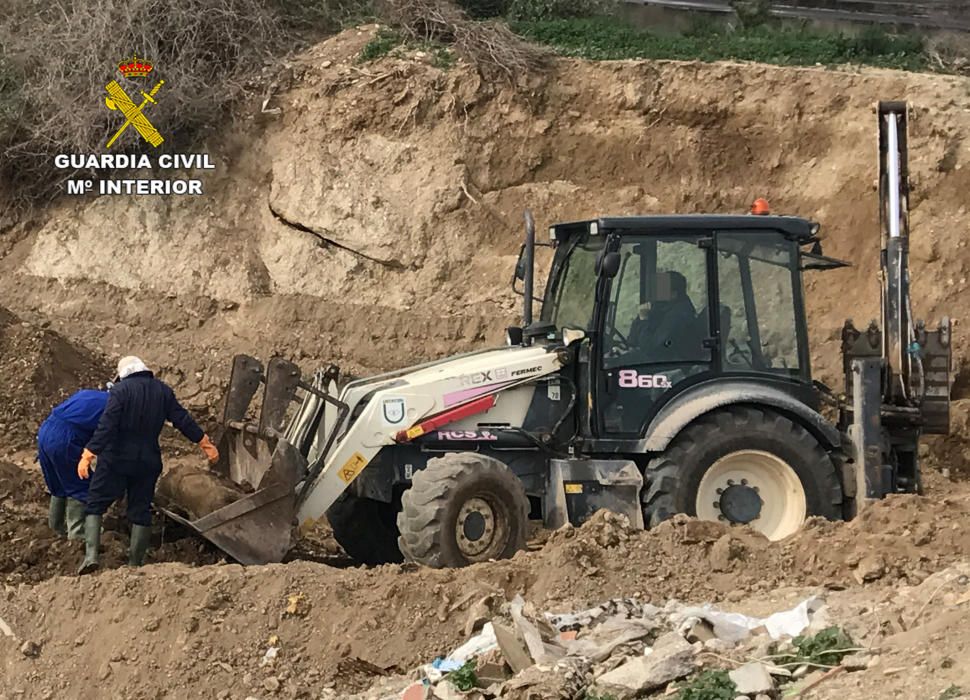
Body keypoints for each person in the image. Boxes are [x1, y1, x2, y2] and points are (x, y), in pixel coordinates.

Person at [76, 355, 220, 574]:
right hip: (148, 461)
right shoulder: (163, 391)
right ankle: (135, 564)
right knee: (140, 510)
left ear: (123, 374)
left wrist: (89, 453)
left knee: (95, 503)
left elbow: (107, 425)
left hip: (116, 460)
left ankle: (91, 557)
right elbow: (182, 419)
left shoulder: (119, 392)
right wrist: (203, 441)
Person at [37, 387, 110, 540]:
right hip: (66, 439)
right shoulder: (114, 406)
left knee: (59, 484)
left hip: (46, 431)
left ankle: (55, 529)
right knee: (80, 484)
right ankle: (78, 535)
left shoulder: (88, 394)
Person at [628, 271, 697, 357]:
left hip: (670, 362)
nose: (657, 293)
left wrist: (644, 320)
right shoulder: (662, 306)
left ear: (673, 294)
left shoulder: (679, 315)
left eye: (661, 289)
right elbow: (633, 340)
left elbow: (651, 348)